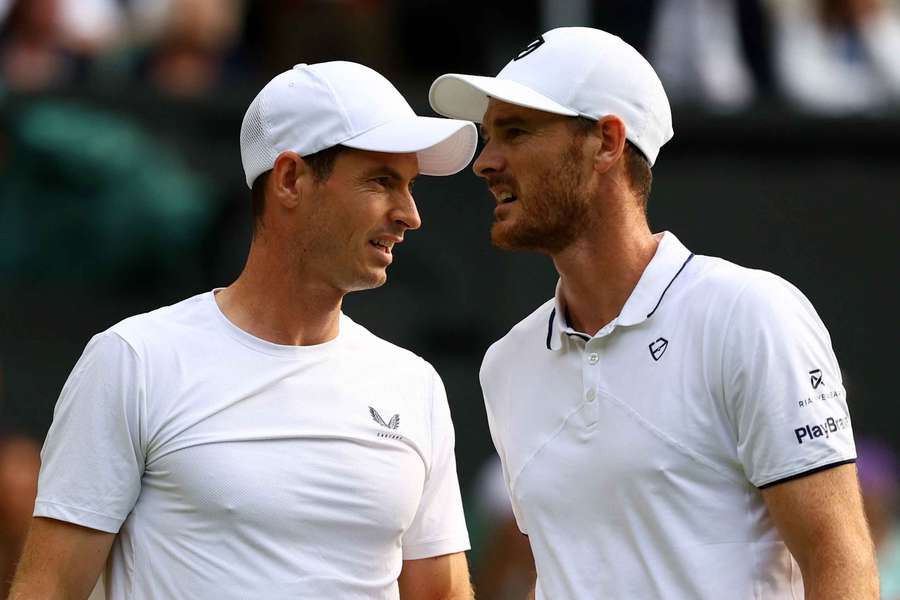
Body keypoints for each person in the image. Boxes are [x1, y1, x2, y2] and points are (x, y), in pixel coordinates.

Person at [429, 26, 879, 599]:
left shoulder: (751, 315)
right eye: (488, 137)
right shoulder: (506, 364)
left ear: (607, 143)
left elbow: (838, 561)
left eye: (514, 132)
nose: (485, 162)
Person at [10, 60, 478, 599]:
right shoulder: (133, 360)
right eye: (381, 181)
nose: (409, 214)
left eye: (410, 186)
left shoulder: (413, 384)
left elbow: (441, 594)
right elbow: (48, 590)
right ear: (290, 179)